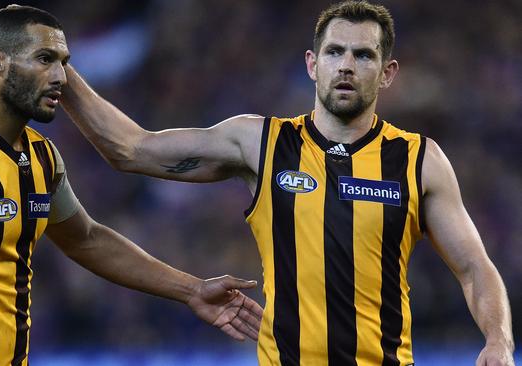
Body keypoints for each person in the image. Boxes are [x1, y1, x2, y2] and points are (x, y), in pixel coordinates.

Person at [59, 1, 515, 365]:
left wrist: (498, 339)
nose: (347, 66)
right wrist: (61, 68)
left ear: (388, 72)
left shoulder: (420, 160)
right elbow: (130, 149)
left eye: (363, 55)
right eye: (335, 52)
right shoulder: (259, 142)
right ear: (313, 64)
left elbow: (475, 268)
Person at [0, 5, 264, 366]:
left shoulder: (43, 157)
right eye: (45, 60)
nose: (60, 77)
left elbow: (87, 239)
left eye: (64, 63)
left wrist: (191, 290)